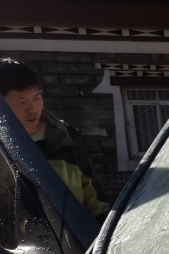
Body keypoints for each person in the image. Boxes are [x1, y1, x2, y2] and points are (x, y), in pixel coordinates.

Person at [0, 57, 109, 219]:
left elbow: (96, 200)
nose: (32, 108)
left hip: (77, 239)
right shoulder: (4, 148)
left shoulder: (66, 139)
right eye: (22, 102)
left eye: (37, 98)